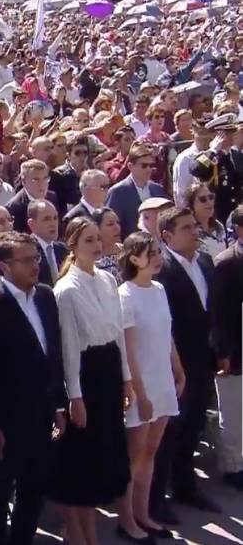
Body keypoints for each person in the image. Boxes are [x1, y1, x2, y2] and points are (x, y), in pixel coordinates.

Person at [0, 232, 66, 545]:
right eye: (25, 260)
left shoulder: (44, 296)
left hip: (41, 414)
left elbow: (54, 354)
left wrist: (59, 406)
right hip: (7, 420)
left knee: (34, 486)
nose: (34, 265)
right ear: (4, 266)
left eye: (36, 258)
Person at [50, 217, 133, 545]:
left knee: (106, 454)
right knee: (81, 460)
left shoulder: (108, 280)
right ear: (72, 245)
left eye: (98, 239)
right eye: (88, 240)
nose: (97, 246)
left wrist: (126, 378)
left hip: (109, 372)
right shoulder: (66, 289)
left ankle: (91, 532)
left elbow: (119, 337)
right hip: (86, 375)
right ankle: (77, 533)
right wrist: (76, 396)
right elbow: (69, 346)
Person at [151, 207, 222, 522]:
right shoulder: (161, 271)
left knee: (193, 426)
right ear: (167, 236)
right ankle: (156, 498)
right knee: (169, 433)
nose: (195, 231)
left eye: (195, 225)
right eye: (186, 227)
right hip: (175, 364)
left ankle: (185, 486)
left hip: (204, 360)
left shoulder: (206, 262)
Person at [116, 233, 185, 542]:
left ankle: (143, 514)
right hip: (141, 385)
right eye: (151, 252)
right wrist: (139, 394)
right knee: (134, 455)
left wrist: (179, 370)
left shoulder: (158, 289)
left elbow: (167, 334)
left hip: (162, 380)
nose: (158, 257)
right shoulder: (125, 295)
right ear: (134, 258)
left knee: (151, 452)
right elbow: (128, 351)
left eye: (158, 251)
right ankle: (126, 519)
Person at [212, 205, 243, 490]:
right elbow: (220, 315)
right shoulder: (226, 262)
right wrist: (224, 354)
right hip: (236, 350)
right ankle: (233, 467)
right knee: (233, 412)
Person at [106, 145, 169, 239]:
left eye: (151, 166)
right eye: (144, 165)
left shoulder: (157, 189)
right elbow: (110, 227)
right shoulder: (118, 192)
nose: (148, 169)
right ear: (130, 166)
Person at [27, 200, 68, 287]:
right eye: (47, 219)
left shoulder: (63, 249)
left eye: (55, 218)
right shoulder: (27, 251)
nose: (53, 223)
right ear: (32, 224)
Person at [184, 181, 227, 259]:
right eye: (202, 199)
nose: (209, 202)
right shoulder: (190, 232)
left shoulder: (219, 227)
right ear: (192, 205)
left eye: (211, 197)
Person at [93, 207, 125, 282]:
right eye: (110, 224)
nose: (117, 227)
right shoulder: (91, 258)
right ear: (97, 229)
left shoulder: (127, 251)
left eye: (118, 223)